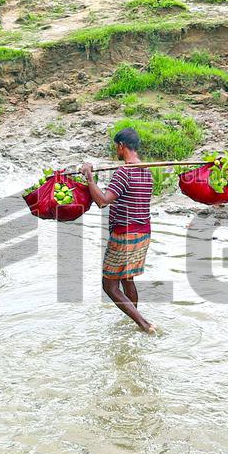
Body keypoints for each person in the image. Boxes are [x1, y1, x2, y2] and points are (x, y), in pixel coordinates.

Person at [81, 128, 155, 333]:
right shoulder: (146, 172)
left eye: (117, 147)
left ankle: (144, 324)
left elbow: (103, 201)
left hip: (125, 235)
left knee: (110, 286)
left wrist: (89, 177)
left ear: (122, 146)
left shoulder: (124, 172)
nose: (116, 150)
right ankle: (135, 322)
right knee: (127, 278)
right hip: (143, 233)